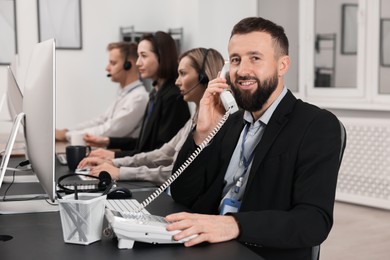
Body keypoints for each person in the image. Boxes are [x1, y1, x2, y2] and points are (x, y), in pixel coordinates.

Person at [165, 17, 346, 260]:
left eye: (255, 58)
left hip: (258, 252)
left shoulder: (316, 125)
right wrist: (202, 132)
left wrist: (232, 225)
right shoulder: (230, 122)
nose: (242, 70)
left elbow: (313, 221)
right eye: (236, 60)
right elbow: (182, 193)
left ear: (283, 65)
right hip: (207, 248)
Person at [77, 48, 225, 185]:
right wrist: (115, 163)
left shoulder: (215, 123)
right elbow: (163, 153)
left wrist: (121, 171)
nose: (177, 82)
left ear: (203, 77)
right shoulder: (194, 118)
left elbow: (177, 171)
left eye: (183, 73)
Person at [83, 31, 191, 159]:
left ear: (161, 57)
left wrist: (114, 156)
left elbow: (160, 154)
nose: (138, 62)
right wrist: (108, 141)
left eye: (143, 56)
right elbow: (144, 144)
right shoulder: (155, 93)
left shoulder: (173, 98)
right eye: (138, 56)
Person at [56, 42, 148, 142]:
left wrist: (67, 135)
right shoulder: (125, 93)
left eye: (113, 63)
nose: (107, 68)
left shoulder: (138, 97)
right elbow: (101, 120)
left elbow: (110, 130)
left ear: (128, 65)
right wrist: (69, 130)